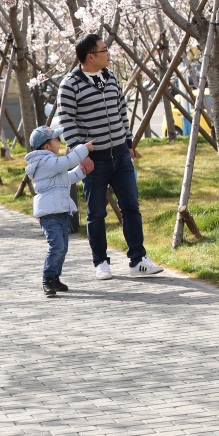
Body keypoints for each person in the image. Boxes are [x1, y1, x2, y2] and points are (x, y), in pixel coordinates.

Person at [58, 34, 163, 279]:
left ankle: (138, 261)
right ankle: (101, 262)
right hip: (94, 160)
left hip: (121, 155)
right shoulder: (70, 84)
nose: (108, 54)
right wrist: (80, 153)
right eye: (104, 50)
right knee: (96, 213)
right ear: (90, 56)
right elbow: (66, 121)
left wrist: (128, 142)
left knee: (131, 207)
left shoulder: (110, 77)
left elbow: (121, 111)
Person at [25, 126, 94, 297]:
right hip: (50, 214)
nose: (59, 142)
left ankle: (55, 277)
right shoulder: (46, 161)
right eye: (56, 140)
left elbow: (67, 178)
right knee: (56, 246)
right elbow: (67, 162)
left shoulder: (52, 164)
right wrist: (83, 149)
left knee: (62, 248)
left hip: (61, 212)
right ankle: (47, 279)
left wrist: (81, 171)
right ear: (47, 146)